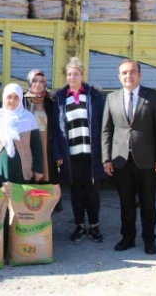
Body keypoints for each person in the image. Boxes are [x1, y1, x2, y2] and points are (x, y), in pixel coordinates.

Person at [102, 59, 156, 255]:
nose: (128, 76)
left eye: (132, 72)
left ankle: (149, 239)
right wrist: (106, 158)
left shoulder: (153, 97)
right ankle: (127, 237)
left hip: (147, 160)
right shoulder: (112, 98)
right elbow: (106, 130)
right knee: (126, 202)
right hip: (121, 160)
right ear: (119, 77)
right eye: (124, 73)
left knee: (148, 202)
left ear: (140, 75)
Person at [53, 58, 106, 243]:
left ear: (82, 75)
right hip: (72, 154)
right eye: (69, 74)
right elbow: (56, 128)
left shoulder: (95, 96)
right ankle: (79, 226)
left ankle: (94, 226)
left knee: (93, 191)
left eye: (76, 73)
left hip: (91, 153)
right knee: (76, 191)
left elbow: (103, 124)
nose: (72, 77)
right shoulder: (59, 98)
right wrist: (58, 153)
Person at [0, 83, 44, 187]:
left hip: (21, 173)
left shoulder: (28, 119)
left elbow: (36, 146)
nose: (12, 101)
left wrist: (38, 169)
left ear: (21, 99)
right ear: (4, 97)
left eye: (16, 97)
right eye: (9, 97)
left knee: (19, 201)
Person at [23, 69, 61, 185]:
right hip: (28, 147)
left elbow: (56, 128)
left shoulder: (50, 101)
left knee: (48, 187)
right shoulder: (22, 101)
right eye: (34, 81)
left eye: (41, 81)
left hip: (47, 148)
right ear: (29, 82)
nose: (38, 84)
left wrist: (58, 152)